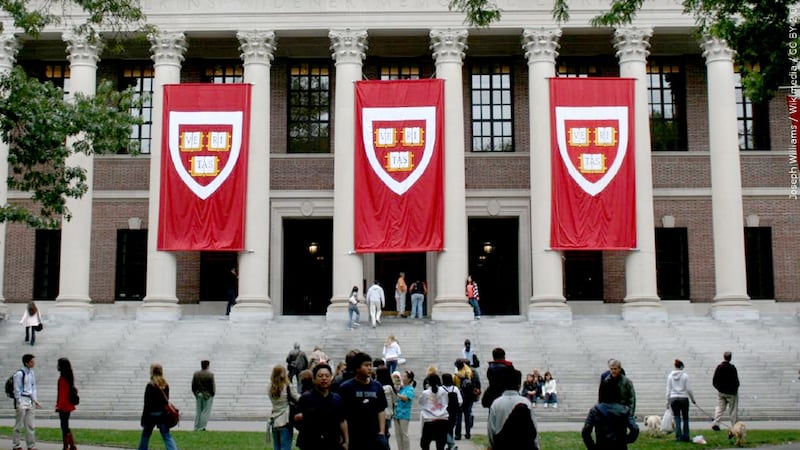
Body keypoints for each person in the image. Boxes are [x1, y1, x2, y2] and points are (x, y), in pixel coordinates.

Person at [339, 352, 389, 450]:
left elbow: (381, 410)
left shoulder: (377, 386)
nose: (370, 368)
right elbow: (342, 416)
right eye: (366, 365)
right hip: (354, 436)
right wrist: (345, 439)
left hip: (374, 436)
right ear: (357, 368)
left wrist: (382, 432)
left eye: (370, 365)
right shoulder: (346, 388)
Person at [295, 363, 348, 450]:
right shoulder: (306, 398)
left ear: (331, 378)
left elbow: (342, 420)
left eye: (327, 376)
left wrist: (346, 441)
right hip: (310, 442)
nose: (324, 378)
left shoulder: (337, 398)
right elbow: (297, 419)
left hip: (332, 442)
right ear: (314, 379)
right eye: (320, 376)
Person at [581, 377, 639, 450]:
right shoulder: (624, 410)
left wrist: (592, 447)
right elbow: (635, 429)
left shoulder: (595, 410)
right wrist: (625, 441)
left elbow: (585, 432)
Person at [487, 368, 539, 450]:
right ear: (519, 386)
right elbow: (533, 428)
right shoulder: (526, 403)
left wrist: (492, 445)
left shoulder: (496, 403)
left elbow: (491, 429)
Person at [138, 363, 178, 450]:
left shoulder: (150, 385)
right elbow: (166, 401)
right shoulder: (165, 385)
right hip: (162, 414)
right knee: (166, 436)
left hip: (151, 414)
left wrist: (144, 417)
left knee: (145, 435)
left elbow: (147, 403)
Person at [12, 354, 41, 450]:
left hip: (30, 400)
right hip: (22, 399)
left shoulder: (31, 373)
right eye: (32, 361)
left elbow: (33, 387)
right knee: (19, 424)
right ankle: (16, 445)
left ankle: (31, 445)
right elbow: (16, 389)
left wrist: (35, 400)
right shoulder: (19, 374)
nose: (34, 363)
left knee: (30, 425)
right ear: (26, 363)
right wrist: (19, 401)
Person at [269, 365, 300, 450]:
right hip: (285, 418)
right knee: (285, 447)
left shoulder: (270, 387)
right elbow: (297, 398)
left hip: (274, 418)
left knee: (277, 447)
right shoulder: (287, 386)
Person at [666, 358, 695, 443]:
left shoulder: (670, 376)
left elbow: (668, 390)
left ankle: (678, 436)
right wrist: (692, 399)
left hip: (673, 398)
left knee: (677, 417)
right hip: (683, 398)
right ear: (681, 366)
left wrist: (667, 401)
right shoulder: (685, 376)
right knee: (685, 418)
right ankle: (686, 436)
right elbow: (689, 389)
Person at [419, 373, 450, 450]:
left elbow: (421, 402)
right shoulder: (444, 391)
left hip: (430, 420)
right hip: (443, 419)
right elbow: (447, 402)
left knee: (425, 444)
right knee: (440, 445)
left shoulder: (425, 393)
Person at [712, 351, 740, 431]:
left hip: (721, 392)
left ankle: (716, 423)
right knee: (733, 410)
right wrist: (735, 389)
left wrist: (719, 388)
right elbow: (736, 381)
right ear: (730, 358)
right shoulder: (732, 368)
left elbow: (714, 380)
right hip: (731, 393)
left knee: (720, 408)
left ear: (723, 357)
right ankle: (734, 426)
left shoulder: (719, 367)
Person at [56, 357, 78, 450]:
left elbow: (62, 394)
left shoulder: (63, 378)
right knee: (65, 425)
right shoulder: (69, 376)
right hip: (68, 404)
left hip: (64, 405)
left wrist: (59, 406)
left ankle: (66, 446)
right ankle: (71, 445)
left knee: (64, 426)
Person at [454, 359, 478, 440]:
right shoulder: (470, 372)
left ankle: (458, 434)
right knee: (467, 416)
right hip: (469, 397)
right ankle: (468, 433)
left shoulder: (457, 375)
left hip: (460, 398)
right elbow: (475, 383)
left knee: (459, 417)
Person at [394, 370, 416, 450]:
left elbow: (406, 398)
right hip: (397, 413)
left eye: (404, 376)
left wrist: (398, 394)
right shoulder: (401, 387)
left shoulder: (410, 389)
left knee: (404, 434)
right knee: (398, 434)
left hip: (404, 414)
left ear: (409, 379)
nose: (402, 378)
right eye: (402, 376)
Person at [191, 360, 216, 431]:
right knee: (205, 412)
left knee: (198, 411)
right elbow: (212, 386)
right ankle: (202, 427)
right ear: (208, 366)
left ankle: (196, 426)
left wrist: (196, 394)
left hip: (199, 394)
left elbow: (193, 385)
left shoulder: (196, 374)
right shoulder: (210, 374)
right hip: (207, 395)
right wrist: (212, 394)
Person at [441, 373, 462, 450]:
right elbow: (460, 401)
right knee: (450, 428)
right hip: (453, 412)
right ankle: (451, 445)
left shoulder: (441, 389)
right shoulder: (455, 389)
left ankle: (450, 444)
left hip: (443, 412)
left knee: (444, 429)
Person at [376, 367, 396, 442]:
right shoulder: (389, 387)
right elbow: (394, 399)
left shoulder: (376, 386)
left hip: (376, 413)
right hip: (387, 413)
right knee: (385, 432)